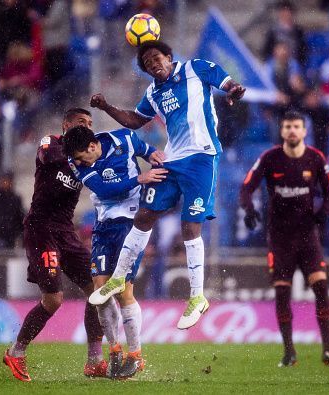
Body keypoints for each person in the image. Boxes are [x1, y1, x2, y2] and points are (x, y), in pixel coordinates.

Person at [87, 40, 245, 330]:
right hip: (172, 160)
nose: (153, 65)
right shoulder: (153, 92)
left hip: (202, 157)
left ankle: (197, 297)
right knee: (145, 215)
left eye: (157, 59)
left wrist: (234, 89)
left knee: (190, 225)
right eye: (148, 64)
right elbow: (135, 120)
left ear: (169, 57)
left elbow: (227, 82)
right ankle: (119, 277)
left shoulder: (195, 69)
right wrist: (106, 106)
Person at [2, 108, 106, 382]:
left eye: (90, 124)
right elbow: (50, 156)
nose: (86, 127)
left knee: (98, 289)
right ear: (66, 124)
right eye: (81, 122)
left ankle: (95, 360)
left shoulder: (89, 159)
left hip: (65, 231)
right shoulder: (51, 143)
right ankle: (16, 351)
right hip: (41, 228)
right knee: (54, 299)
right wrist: (82, 156)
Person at [240, 110, 329, 367]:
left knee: (321, 288)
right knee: (282, 293)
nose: (292, 131)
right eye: (287, 127)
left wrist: (324, 214)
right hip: (280, 238)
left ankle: (328, 350)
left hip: (308, 236)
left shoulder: (316, 158)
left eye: (297, 126)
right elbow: (246, 187)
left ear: (304, 130)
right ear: (282, 130)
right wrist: (250, 209)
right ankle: (289, 353)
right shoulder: (270, 158)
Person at [63, 125, 167, 379]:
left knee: (123, 290)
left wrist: (154, 153)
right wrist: (138, 178)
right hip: (103, 226)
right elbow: (106, 190)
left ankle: (136, 356)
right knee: (100, 291)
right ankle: (115, 349)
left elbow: (146, 150)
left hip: (131, 224)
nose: (76, 162)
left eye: (80, 157)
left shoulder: (125, 138)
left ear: (92, 146)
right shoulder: (76, 161)